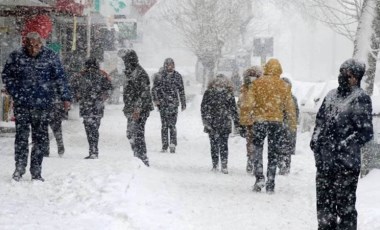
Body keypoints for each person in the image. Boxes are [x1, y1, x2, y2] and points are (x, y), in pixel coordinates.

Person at [310, 59, 373, 230]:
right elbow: (320, 121)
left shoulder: (361, 98)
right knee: (324, 209)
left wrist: (343, 144)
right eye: (341, 72)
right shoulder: (330, 95)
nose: (343, 77)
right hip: (325, 163)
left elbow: (366, 133)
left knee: (345, 210)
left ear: (356, 77)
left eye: (348, 74)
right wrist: (315, 141)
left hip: (346, 165)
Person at [1, 32, 71, 181]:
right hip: (22, 104)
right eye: (30, 45)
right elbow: (7, 76)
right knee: (21, 137)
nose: (34, 49)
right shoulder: (16, 56)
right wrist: (16, 92)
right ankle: (19, 167)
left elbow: (60, 78)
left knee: (40, 138)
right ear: (25, 43)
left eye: (37, 45)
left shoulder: (50, 56)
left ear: (41, 43)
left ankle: (36, 170)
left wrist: (65, 97)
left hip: (42, 104)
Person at [247, 58, 297, 193]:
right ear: (279, 70)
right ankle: (271, 181)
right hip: (276, 122)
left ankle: (259, 178)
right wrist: (292, 124)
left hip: (260, 121)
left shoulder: (257, 83)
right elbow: (290, 107)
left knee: (257, 149)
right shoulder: (284, 86)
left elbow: (248, 103)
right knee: (273, 153)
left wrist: (246, 118)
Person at [70, 57, 112, 159]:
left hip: (87, 105)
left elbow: (73, 87)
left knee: (90, 128)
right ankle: (93, 150)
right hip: (96, 106)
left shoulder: (81, 75)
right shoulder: (102, 75)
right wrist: (103, 96)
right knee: (93, 128)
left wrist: (78, 96)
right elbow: (109, 88)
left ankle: (93, 150)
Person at [119, 49, 154, 166]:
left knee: (137, 133)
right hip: (131, 108)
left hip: (140, 109)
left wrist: (137, 109)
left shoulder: (140, 74)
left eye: (126, 61)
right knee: (130, 133)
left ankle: (142, 158)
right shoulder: (129, 72)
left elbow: (143, 94)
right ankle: (137, 155)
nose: (124, 63)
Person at [201, 74, 240, 174]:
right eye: (218, 81)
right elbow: (204, 108)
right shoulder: (210, 93)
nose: (220, 83)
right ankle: (216, 164)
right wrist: (206, 120)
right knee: (215, 144)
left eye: (222, 81)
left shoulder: (228, 93)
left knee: (223, 144)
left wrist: (237, 123)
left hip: (222, 122)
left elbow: (233, 109)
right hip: (214, 122)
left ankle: (223, 164)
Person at [151, 58, 186, 153]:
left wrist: (183, 103)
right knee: (164, 125)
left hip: (174, 104)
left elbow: (181, 90)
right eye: (168, 65)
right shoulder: (160, 76)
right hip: (163, 104)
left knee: (172, 125)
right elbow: (154, 89)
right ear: (165, 65)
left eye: (171, 65)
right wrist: (156, 100)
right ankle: (164, 145)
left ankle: (173, 144)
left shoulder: (177, 76)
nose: (170, 66)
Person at [238, 66, 263, 173]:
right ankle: (255, 161)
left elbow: (241, 104)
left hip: (249, 119)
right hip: (258, 119)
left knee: (250, 142)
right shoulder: (261, 87)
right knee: (257, 142)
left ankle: (251, 160)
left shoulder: (245, 88)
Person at [277, 77, 299, 175]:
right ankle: (285, 166)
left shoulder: (279, 98)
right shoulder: (292, 98)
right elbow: (296, 112)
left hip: (284, 125)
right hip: (288, 125)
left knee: (282, 147)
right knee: (285, 148)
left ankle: (283, 165)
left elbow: (296, 112)